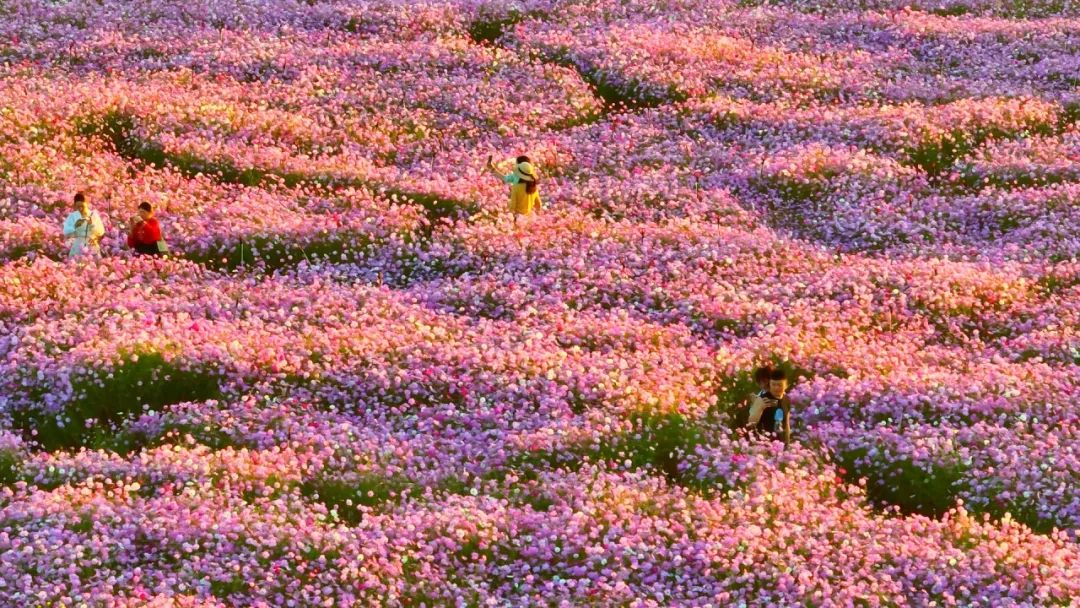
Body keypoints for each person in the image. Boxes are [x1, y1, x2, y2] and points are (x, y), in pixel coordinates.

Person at [487, 154, 542, 220]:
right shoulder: (533, 186)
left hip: (518, 217)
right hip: (529, 216)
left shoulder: (516, 187)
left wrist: (508, 217)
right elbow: (538, 204)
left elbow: (513, 205)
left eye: (517, 164)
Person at [746, 367, 792, 445]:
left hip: (781, 445)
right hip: (765, 444)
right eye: (773, 384)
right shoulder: (761, 399)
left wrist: (788, 443)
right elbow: (751, 422)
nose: (764, 385)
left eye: (766, 382)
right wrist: (759, 408)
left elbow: (787, 424)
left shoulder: (786, 399)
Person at [62, 192, 105, 258]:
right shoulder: (72, 216)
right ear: (74, 206)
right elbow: (66, 232)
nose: (80, 209)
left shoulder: (93, 215)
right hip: (78, 245)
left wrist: (91, 224)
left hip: (92, 244)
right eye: (78, 207)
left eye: (82, 206)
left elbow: (101, 231)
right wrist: (75, 226)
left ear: (86, 204)